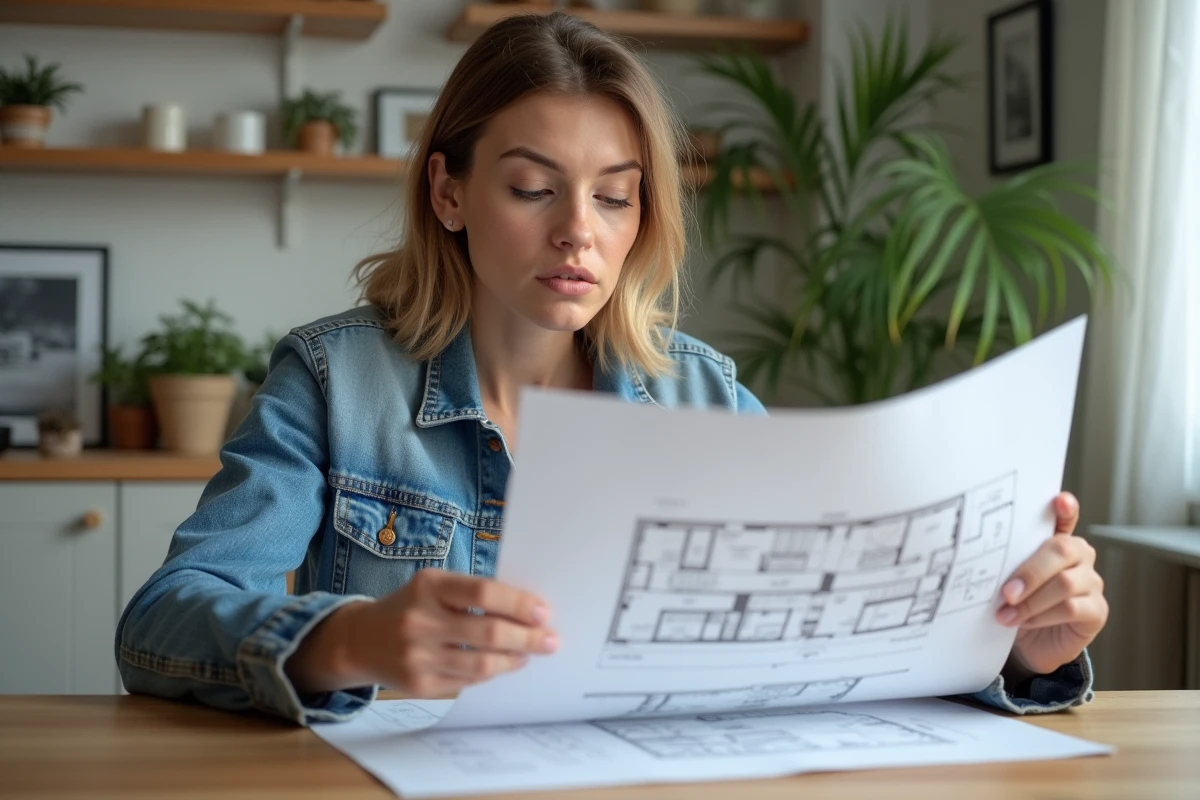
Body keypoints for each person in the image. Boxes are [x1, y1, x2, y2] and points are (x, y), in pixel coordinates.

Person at [116, 12, 1108, 725]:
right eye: (532, 187)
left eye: (616, 198)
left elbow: (833, 639)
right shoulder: (333, 383)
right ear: (450, 192)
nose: (577, 234)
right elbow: (163, 617)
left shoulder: (706, 395)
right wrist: (348, 641)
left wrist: (1016, 639)